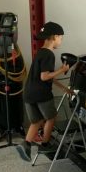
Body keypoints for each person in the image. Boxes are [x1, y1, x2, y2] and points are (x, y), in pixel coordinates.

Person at [16, 21, 71, 161]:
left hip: (29, 93)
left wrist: (63, 88)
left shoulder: (40, 52)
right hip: (41, 94)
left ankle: (26, 145)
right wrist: (62, 70)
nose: (61, 41)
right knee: (51, 117)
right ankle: (45, 144)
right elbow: (44, 76)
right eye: (61, 37)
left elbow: (45, 77)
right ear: (54, 37)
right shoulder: (49, 54)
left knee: (36, 121)